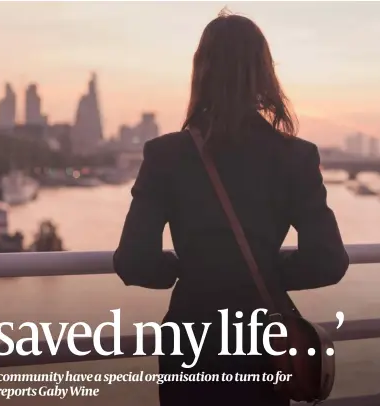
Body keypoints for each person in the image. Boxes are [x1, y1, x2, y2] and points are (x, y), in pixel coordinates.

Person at [113, 10, 349, 406]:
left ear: (200, 73)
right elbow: (329, 262)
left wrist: (186, 269)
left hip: (192, 342)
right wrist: (266, 271)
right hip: (263, 344)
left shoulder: (166, 155)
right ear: (263, 75)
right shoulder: (297, 157)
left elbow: (134, 262)